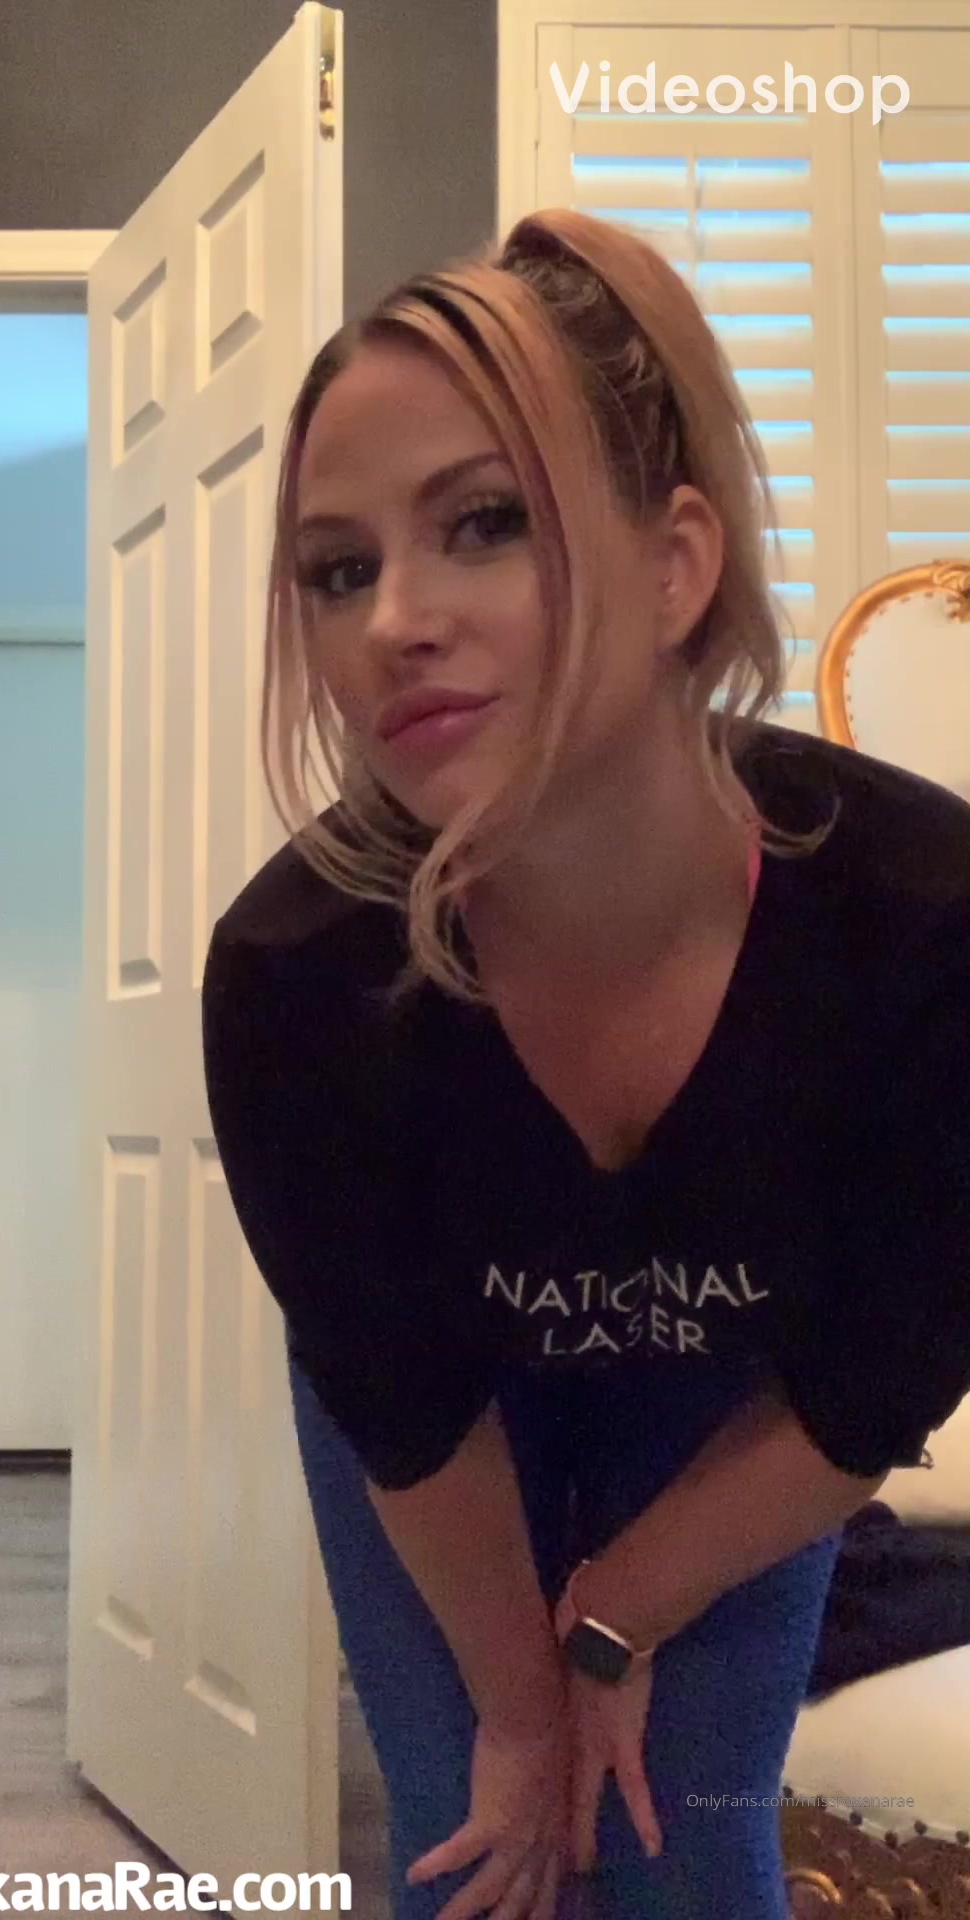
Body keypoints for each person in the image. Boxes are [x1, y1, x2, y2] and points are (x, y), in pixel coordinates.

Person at [201, 208, 970, 1919]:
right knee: (481, 1846)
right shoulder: (296, 981)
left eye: (485, 523)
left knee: (684, 1844)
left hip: (741, 1400)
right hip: (451, 1414)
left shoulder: (926, 932)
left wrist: (617, 1622)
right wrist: (524, 1704)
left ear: (678, 562)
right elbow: (408, 1406)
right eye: (337, 569)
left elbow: (867, 1390)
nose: (395, 621)